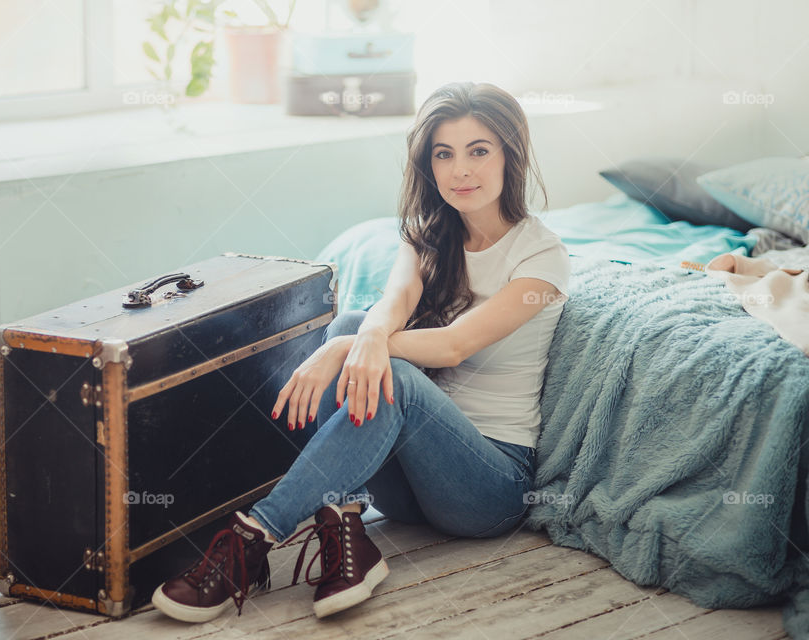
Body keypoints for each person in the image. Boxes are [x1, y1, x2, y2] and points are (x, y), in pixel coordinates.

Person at [152, 81, 571, 623]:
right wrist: (358, 338)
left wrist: (348, 348)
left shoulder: (542, 254)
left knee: (384, 364)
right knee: (357, 323)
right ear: (428, 165)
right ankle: (346, 532)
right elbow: (393, 303)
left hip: (488, 487)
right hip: (403, 490)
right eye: (444, 154)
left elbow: (454, 345)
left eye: (479, 150)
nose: (461, 170)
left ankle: (253, 536)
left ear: (511, 155)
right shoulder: (426, 233)